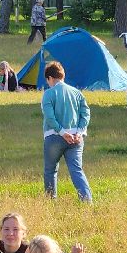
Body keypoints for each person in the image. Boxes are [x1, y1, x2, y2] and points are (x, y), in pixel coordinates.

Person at [40, 61, 92, 202]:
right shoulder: (77, 93)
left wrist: (62, 132)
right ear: (62, 76)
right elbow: (85, 113)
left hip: (54, 137)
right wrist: (80, 131)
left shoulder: (49, 94)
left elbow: (50, 118)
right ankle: (87, 200)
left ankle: (51, 201)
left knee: (50, 171)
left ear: (50, 78)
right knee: (77, 170)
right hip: (76, 138)